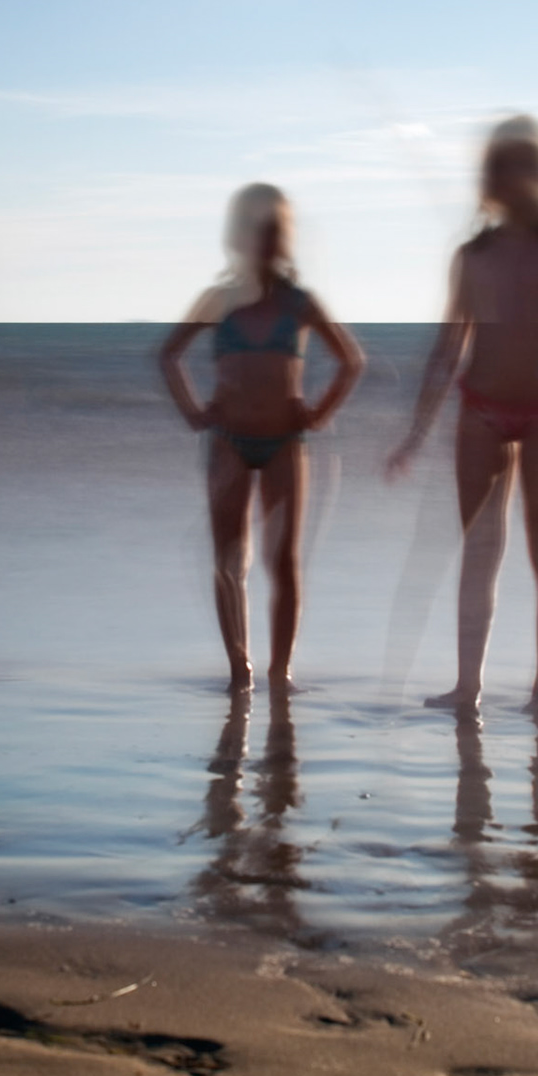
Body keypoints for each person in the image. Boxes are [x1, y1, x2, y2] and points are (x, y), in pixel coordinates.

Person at [387, 116, 538, 712]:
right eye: (503, 166)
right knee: (480, 548)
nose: (514, 177)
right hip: (482, 411)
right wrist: (415, 434)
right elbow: (449, 346)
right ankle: (467, 686)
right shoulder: (472, 255)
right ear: (490, 179)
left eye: (526, 165)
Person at [160, 184, 364, 694]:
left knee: (284, 561)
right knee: (228, 557)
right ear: (238, 236)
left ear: (286, 239)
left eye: (276, 231)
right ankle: (239, 669)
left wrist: (318, 412)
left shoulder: (300, 302)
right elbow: (170, 355)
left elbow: (351, 361)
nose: (266, 239)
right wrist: (192, 411)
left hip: (285, 445)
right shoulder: (220, 299)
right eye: (256, 229)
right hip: (228, 439)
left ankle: (281, 670)